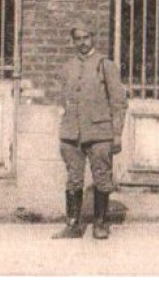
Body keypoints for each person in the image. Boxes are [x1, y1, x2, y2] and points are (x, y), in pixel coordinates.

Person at [53, 23, 127, 240]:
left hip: (100, 133)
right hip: (71, 133)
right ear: (72, 41)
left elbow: (119, 102)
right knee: (73, 179)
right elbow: (61, 98)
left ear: (93, 38)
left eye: (86, 37)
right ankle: (73, 225)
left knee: (102, 178)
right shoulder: (68, 67)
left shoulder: (105, 65)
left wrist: (117, 133)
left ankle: (100, 224)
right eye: (78, 38)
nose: (82, 42)